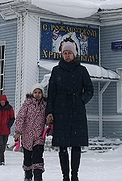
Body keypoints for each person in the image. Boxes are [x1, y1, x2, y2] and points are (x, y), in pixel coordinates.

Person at [46, 39, 94, 181]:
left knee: (76, 146)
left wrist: (80, 100)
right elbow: (51, 93)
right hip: (60, 112)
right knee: (62, 147)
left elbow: (89, 90)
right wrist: (49, 111)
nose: (67, 55)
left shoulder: (81, 70)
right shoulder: (56, 71)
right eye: (65, 53)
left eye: (69, 53)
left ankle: (74, 175)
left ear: (74, 54)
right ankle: (65, 176)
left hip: (77, 112)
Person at [14, 85, 48, 181]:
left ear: (42, 94)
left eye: (39, 92)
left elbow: (47, 118)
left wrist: (50, 122)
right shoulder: (27, 104)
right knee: (28, 158)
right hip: (27, 136)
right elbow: (20, 118)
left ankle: (38, 177)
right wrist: (18, 132)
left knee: (38, 157)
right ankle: (28, 176)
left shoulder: (44, 105)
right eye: (35, 92)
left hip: (39, 136)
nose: (37, 94)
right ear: (32, 94)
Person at [0, 94, 15, 165]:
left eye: (3, 102)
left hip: (6, 130)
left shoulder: (9, 108)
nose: (2, 103)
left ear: (5, 102)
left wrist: (8, 126)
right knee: (0, 144)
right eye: (1, 102)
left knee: (3, 145)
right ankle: (1, 160)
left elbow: (12, 118)